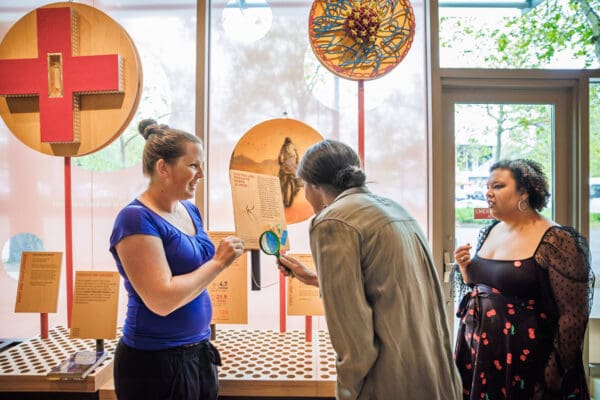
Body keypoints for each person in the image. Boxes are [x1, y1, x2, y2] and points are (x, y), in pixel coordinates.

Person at [277, 139, 462, 400]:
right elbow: (389, 286)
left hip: (390, 381)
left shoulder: (333, 220)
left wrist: (348, 391)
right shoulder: (394, 209)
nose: (305, 195)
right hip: (435, 374)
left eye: (303, 185)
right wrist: (315, 279)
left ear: (314, 185)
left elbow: (353, 336)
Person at [109, 119, 245, 400]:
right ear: (163, 168)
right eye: (193, 166)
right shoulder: (135, 218)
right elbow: (162, 300)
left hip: (198, 351)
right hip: (155, 362)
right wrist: (218, 263)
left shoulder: (190, 211)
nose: (202, 174)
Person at [453, 159, 594, 400]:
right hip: (482, 357)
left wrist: (551, 377)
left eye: (497, 186)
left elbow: (573, 317)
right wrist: (465, 268)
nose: (488, 192)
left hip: (529, 364)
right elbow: (484, 287)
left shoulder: (557, 240)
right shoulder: (490, 230)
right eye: (487, 186)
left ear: (524, 192)